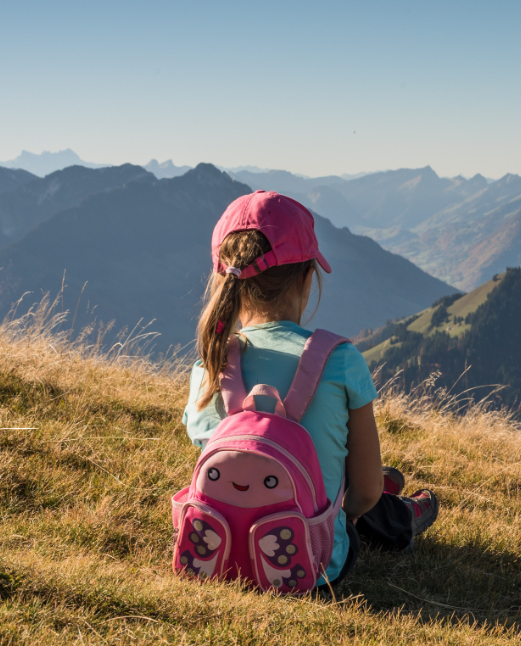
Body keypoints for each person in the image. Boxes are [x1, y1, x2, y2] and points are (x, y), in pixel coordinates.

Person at [181, 190, 438, 587]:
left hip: (217, 556)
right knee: (357, 487)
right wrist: (343, 509)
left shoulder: (210, 365)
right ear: (306, 277)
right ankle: (401, 515)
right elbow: (364, 496)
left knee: (332, 474)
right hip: (316, 565)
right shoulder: (340, 359)